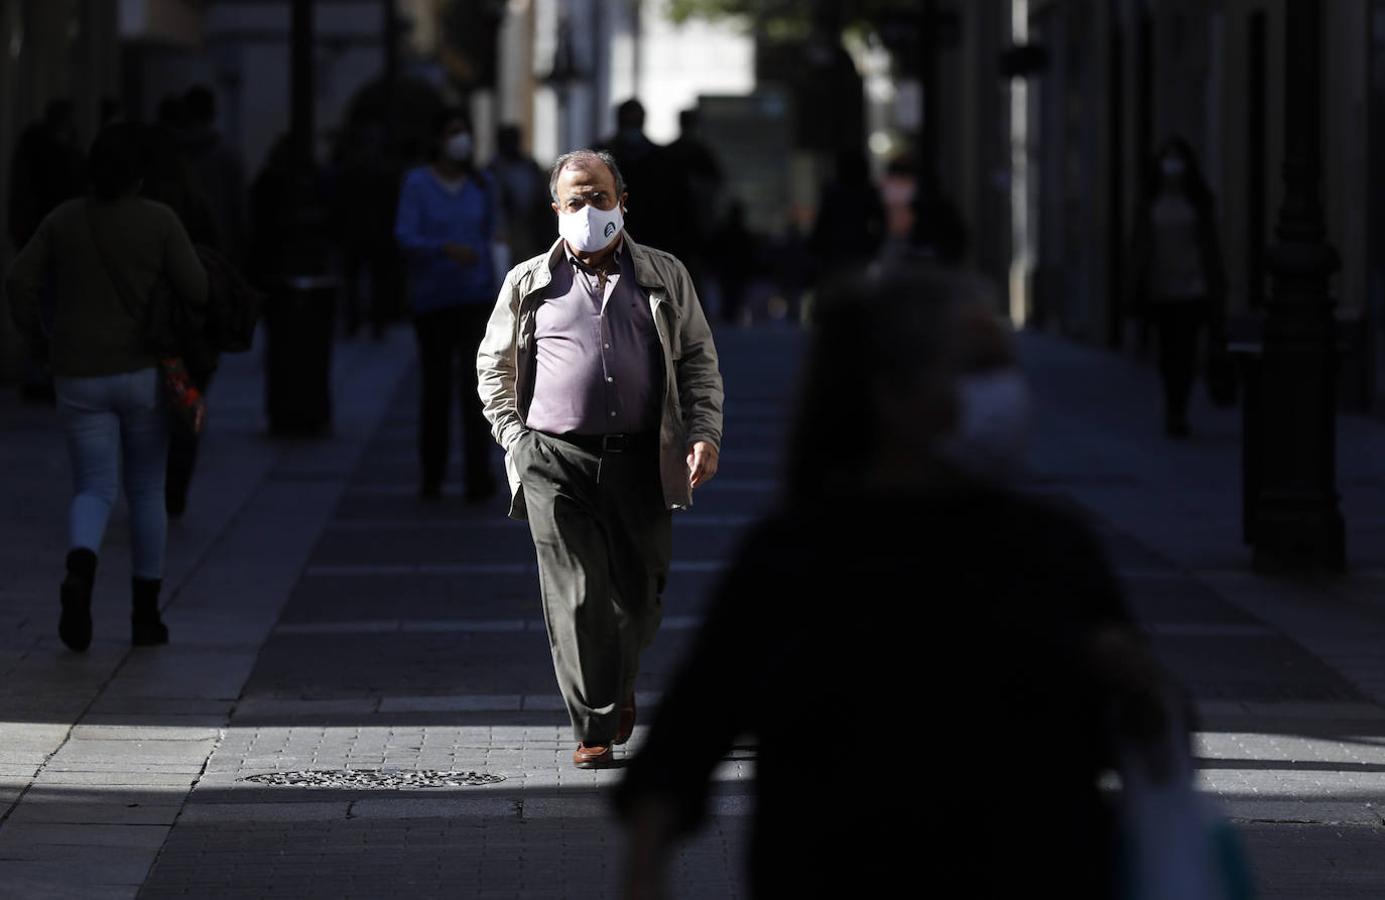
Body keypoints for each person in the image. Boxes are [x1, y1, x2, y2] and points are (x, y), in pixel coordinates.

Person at [614, 264, 1179, 898]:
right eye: (976, 368)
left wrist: (1136, 681)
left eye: (1002, 368)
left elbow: (1154, 737)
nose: (1006, 392)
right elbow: (682, 750)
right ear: (893, 393)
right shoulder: (799, 562)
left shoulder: (1051, 549)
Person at [476, 149, 724, 769]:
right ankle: (593, 722)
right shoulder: (528, 281)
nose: (590, 211)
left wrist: (703, 432)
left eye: (601, 197)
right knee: (577, 596)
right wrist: (516, 439)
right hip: (554, 460)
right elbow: (493, 367)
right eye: (576, 200)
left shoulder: (664, 275)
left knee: (641, 597)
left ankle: (619, 683)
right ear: (556, 208)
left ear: (623, 201)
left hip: (644, 459)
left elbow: (698, 359)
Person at [5, 123, 209, 651]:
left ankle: (81, 569)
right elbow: (198, 288)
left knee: (93, 486)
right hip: (143, 373)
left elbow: (19, 279)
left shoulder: (64, 220)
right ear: (139, 175)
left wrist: (39, 336)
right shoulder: (160, 220)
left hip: (77, 372)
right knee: (146, 491)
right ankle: (146, 616)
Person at [395, 108, 500, 501]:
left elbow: (493, 235)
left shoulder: (481, 184)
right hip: (433, 301)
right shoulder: (418, 184)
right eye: (454, 132)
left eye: (465, 132)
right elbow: (405, 236)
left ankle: (478, 475)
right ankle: (433, 475)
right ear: (438, 139)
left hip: (475, 298)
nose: (462, 141)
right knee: (436, 389)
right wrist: (443, 249)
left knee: (477, 391)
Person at [1130, 136, 1227, 438]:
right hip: (1160, 289)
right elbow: (1138, 246)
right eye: (1167, 158)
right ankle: (1173, 407)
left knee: (1186, 352)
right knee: (1168, 352)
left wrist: (1216, 285)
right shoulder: (1151, 202)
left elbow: (1211, 246)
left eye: (1178, 158)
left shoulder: (1198, 200)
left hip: (1193, 288)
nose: (1172, 165)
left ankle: (1179, 410)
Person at [488, 123, 553, 265]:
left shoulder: (530, 167)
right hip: (502, 234)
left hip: (530, 231)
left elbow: (541, 198)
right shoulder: (492, 170)